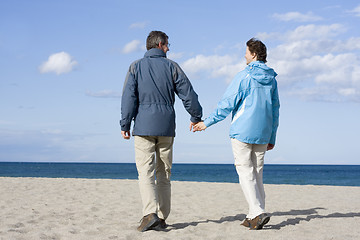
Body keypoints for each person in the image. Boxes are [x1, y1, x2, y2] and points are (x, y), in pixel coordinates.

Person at [193, 38, 280, 230]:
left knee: (245, 172)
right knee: (257, 173)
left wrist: (205, 123)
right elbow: (275, 110)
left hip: (243, 131)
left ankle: (257, 212)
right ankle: (253, 214)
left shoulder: (244, 76)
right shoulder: (271, 80)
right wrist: (272, 136)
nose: (245, 55)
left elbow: (226, 104)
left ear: (254, 54)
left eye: (247, 52)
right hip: (263, 132)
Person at [120, 31, 203, 232]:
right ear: (159, 44)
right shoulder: (172, 66)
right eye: (167, 45)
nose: (168, 48)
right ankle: (163, 217)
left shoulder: (135, 66)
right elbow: (188, 94)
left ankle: (150, 214)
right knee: (164, 173)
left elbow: (128, 98)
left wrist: (125, 124)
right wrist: (196, 116)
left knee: (145, 172)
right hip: (166, 127)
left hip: (143, 127)